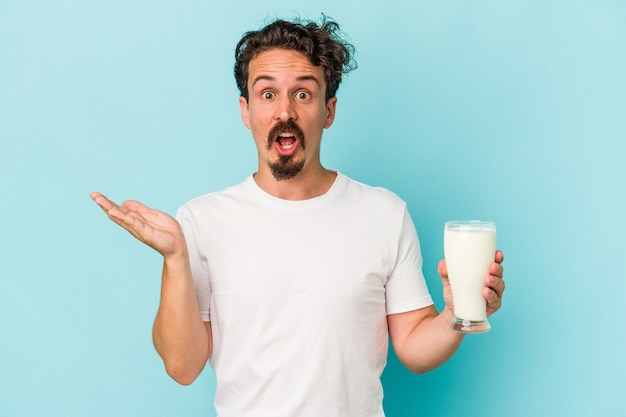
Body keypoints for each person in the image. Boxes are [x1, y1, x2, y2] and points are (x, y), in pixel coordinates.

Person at [91, 16, 505, 417]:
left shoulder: (385, 214)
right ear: (246, 110)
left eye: (303, 94)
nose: (284, 111)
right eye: (267, 94)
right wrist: (175, 259)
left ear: (329, 110)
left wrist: (456, 314)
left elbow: (414, 348)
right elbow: (183, 367)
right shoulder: (202, 221)